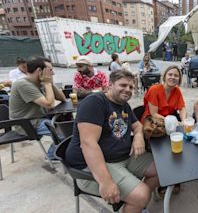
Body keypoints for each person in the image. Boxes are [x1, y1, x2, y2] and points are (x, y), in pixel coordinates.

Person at [65, 70, 159, 213]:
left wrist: (138, 136)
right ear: (110, 85)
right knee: (142, 195)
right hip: (90, 167)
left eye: (131, 87)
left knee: (161, 169)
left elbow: (138, 125)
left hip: (121, 159)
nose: (128, 89)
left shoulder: (123, 105)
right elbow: (88, 144)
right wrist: (105, 182)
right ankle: (138, 200)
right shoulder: (95, 102)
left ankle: (136, 205)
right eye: (123, 85)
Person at [9, 56, 66, 159]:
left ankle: (60, 151)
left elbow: (62, 99)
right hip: (27, 123)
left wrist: (50, 83)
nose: (52, 73)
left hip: (40, 118)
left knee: (69, 124)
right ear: (40, 71)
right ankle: (52, 156)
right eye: (50, 71)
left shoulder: (40, 82)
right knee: (64, 133)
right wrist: (47, 83)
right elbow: (50, 104)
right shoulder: (23, 84)